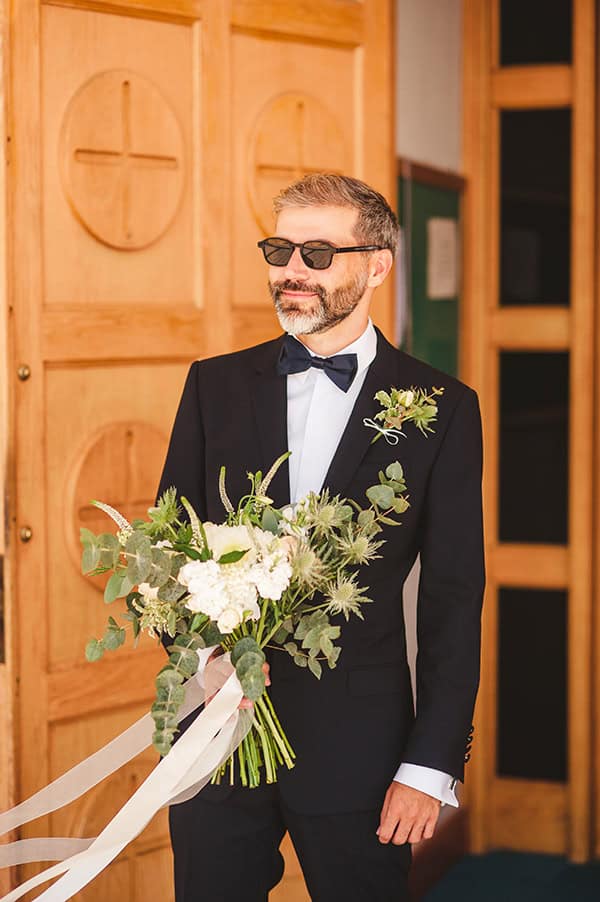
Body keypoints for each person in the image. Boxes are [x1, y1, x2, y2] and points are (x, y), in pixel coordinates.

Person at [157, 173, 484, 901]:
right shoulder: (213, 385)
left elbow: (454, 601)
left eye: (318, 253)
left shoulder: (443, 408)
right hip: (218, 738)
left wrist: (431, 764)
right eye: (280, 250)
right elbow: (172, 547)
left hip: (361, 747)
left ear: (377, 266)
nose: (292, 270)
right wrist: (205, 658)